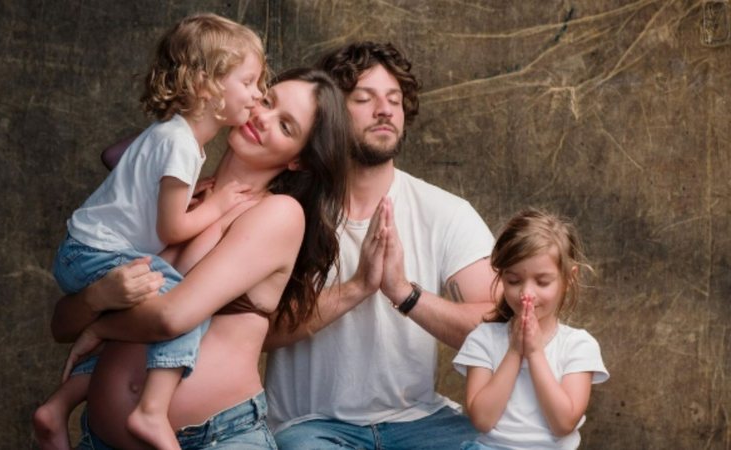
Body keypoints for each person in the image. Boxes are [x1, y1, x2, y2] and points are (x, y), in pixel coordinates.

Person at [48, 67, 350, 449]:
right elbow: (62, 327)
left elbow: (173, 317)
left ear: (298, 161)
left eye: (286, 126)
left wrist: (101, 326)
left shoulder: (279, 214)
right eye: (268, 101)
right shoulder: (178, 202)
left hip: (215, 440)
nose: (263, 117)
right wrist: (96, 299)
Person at [33, 13, 268, 449]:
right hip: (93, 253)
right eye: (249, 81)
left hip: (84, 249)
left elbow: (125, 161)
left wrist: (180, 191)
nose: (258, 95)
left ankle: (58, 404)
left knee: (135, 317)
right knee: (179, 303)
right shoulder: (179, 142)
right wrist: (216, 205)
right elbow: (173, 228)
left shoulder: (176, 136)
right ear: (206, 85)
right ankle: (152, 412)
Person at [263, 41, 497, 450]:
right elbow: (252, 332)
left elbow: (498, 328)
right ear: (330, 114)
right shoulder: (285, 211)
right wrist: (357, 287)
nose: (385, 110)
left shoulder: (446, 212)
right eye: (364, 99)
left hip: (421, 423)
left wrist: (405, 294)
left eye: (394, 100)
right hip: (310, 428)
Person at [454, 209, 609, 450]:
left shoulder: (579, 346)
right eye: (514, 280)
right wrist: (515, 352)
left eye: (542, 281)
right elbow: (482, 420)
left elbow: (563, 423)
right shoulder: (483, 339)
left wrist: (535, 353)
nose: (527, 292)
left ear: (568, 278)